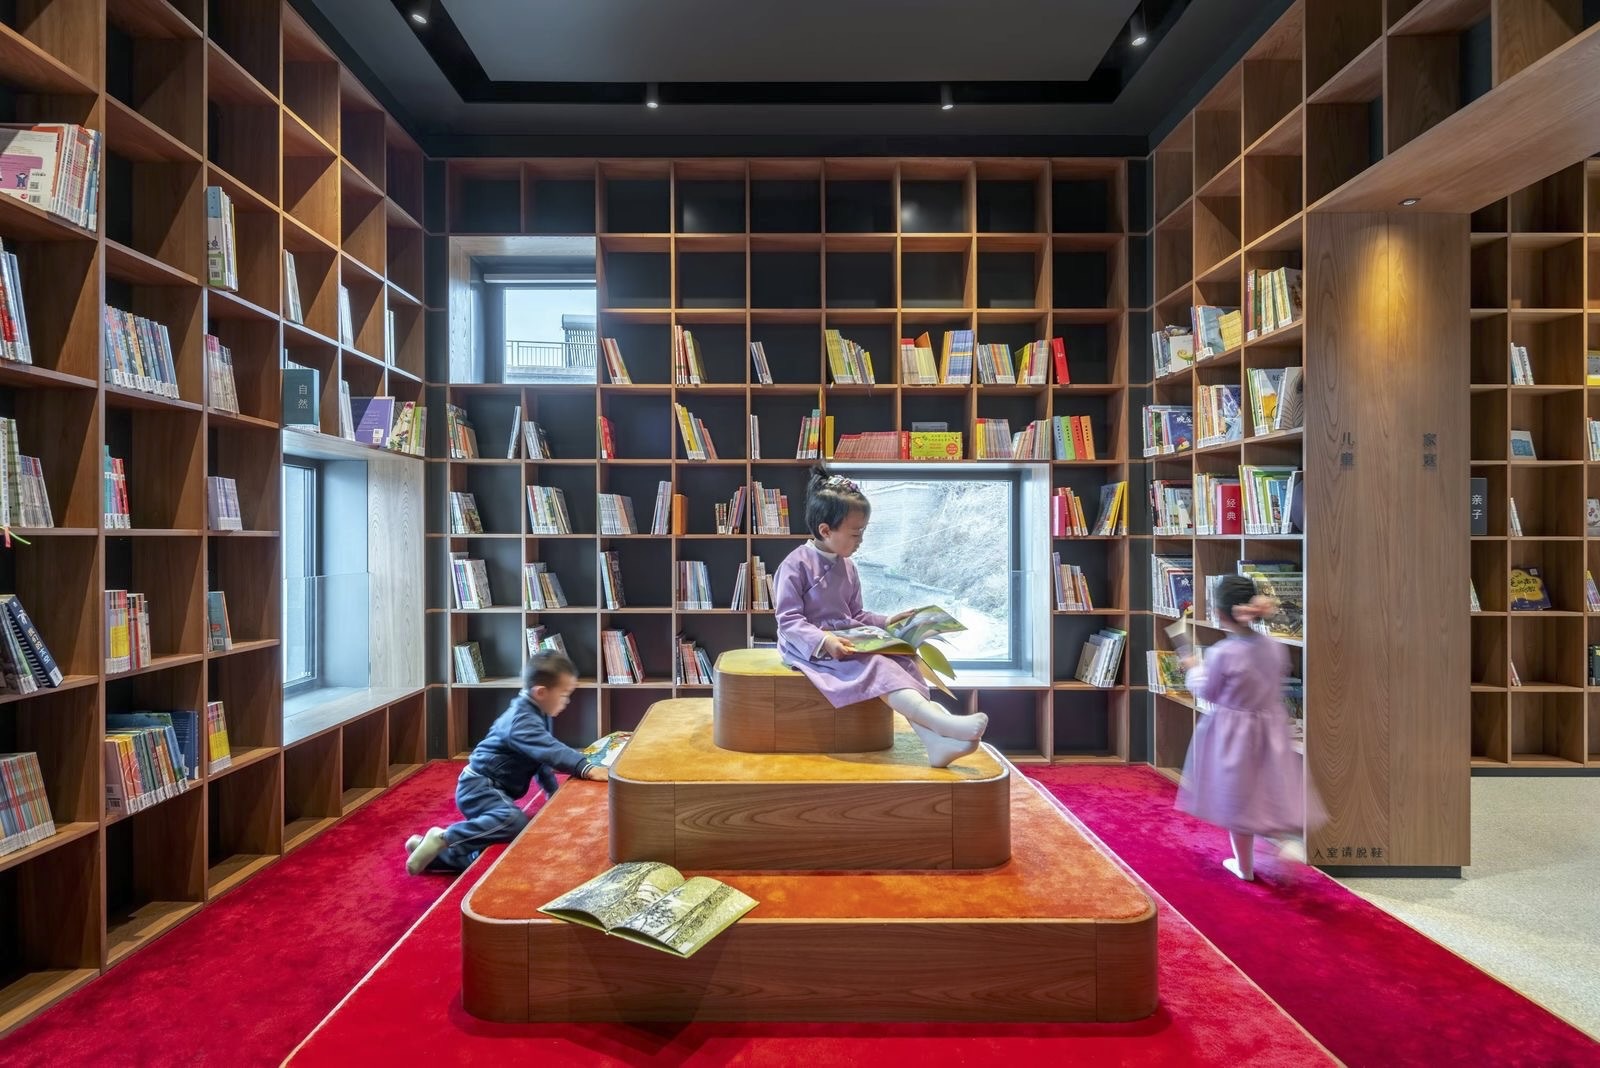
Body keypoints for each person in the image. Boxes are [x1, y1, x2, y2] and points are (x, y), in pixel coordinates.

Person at [773, 467, 988, 768]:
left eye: (863, 532)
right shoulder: (795, 564)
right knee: (875, 665)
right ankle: (942, 724)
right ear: (825, 530)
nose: (861, 540)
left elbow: (856, 614)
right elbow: (788, 619)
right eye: (855, 533)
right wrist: (823, 640)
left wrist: (889, 622)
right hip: (808, 645)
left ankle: (934, 742)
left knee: (903, 659)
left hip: (848, 636)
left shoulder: (848, 567)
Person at [1176, 574, 1325, 881]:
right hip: (1270, 728)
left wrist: (1192, 667)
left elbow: (1207, 691)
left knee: (1238, 798)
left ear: (1219, 614)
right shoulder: (1273, 647)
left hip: (1234, 733)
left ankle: (1244, 867)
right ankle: (1286, 841)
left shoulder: (1224, 653)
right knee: (1268, 791)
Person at [405, 651, 607, 875]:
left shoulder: (537, 713)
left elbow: (540, 759)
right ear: (541, 692)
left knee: (497, 844)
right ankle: (443, 838)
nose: (567, 701)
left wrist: (552, 793)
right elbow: (550, 749)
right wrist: (585, 767)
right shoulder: (520, 720)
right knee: (513, 821)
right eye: (564, 695)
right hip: (479, 787)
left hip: (492, 787)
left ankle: (437, 857)